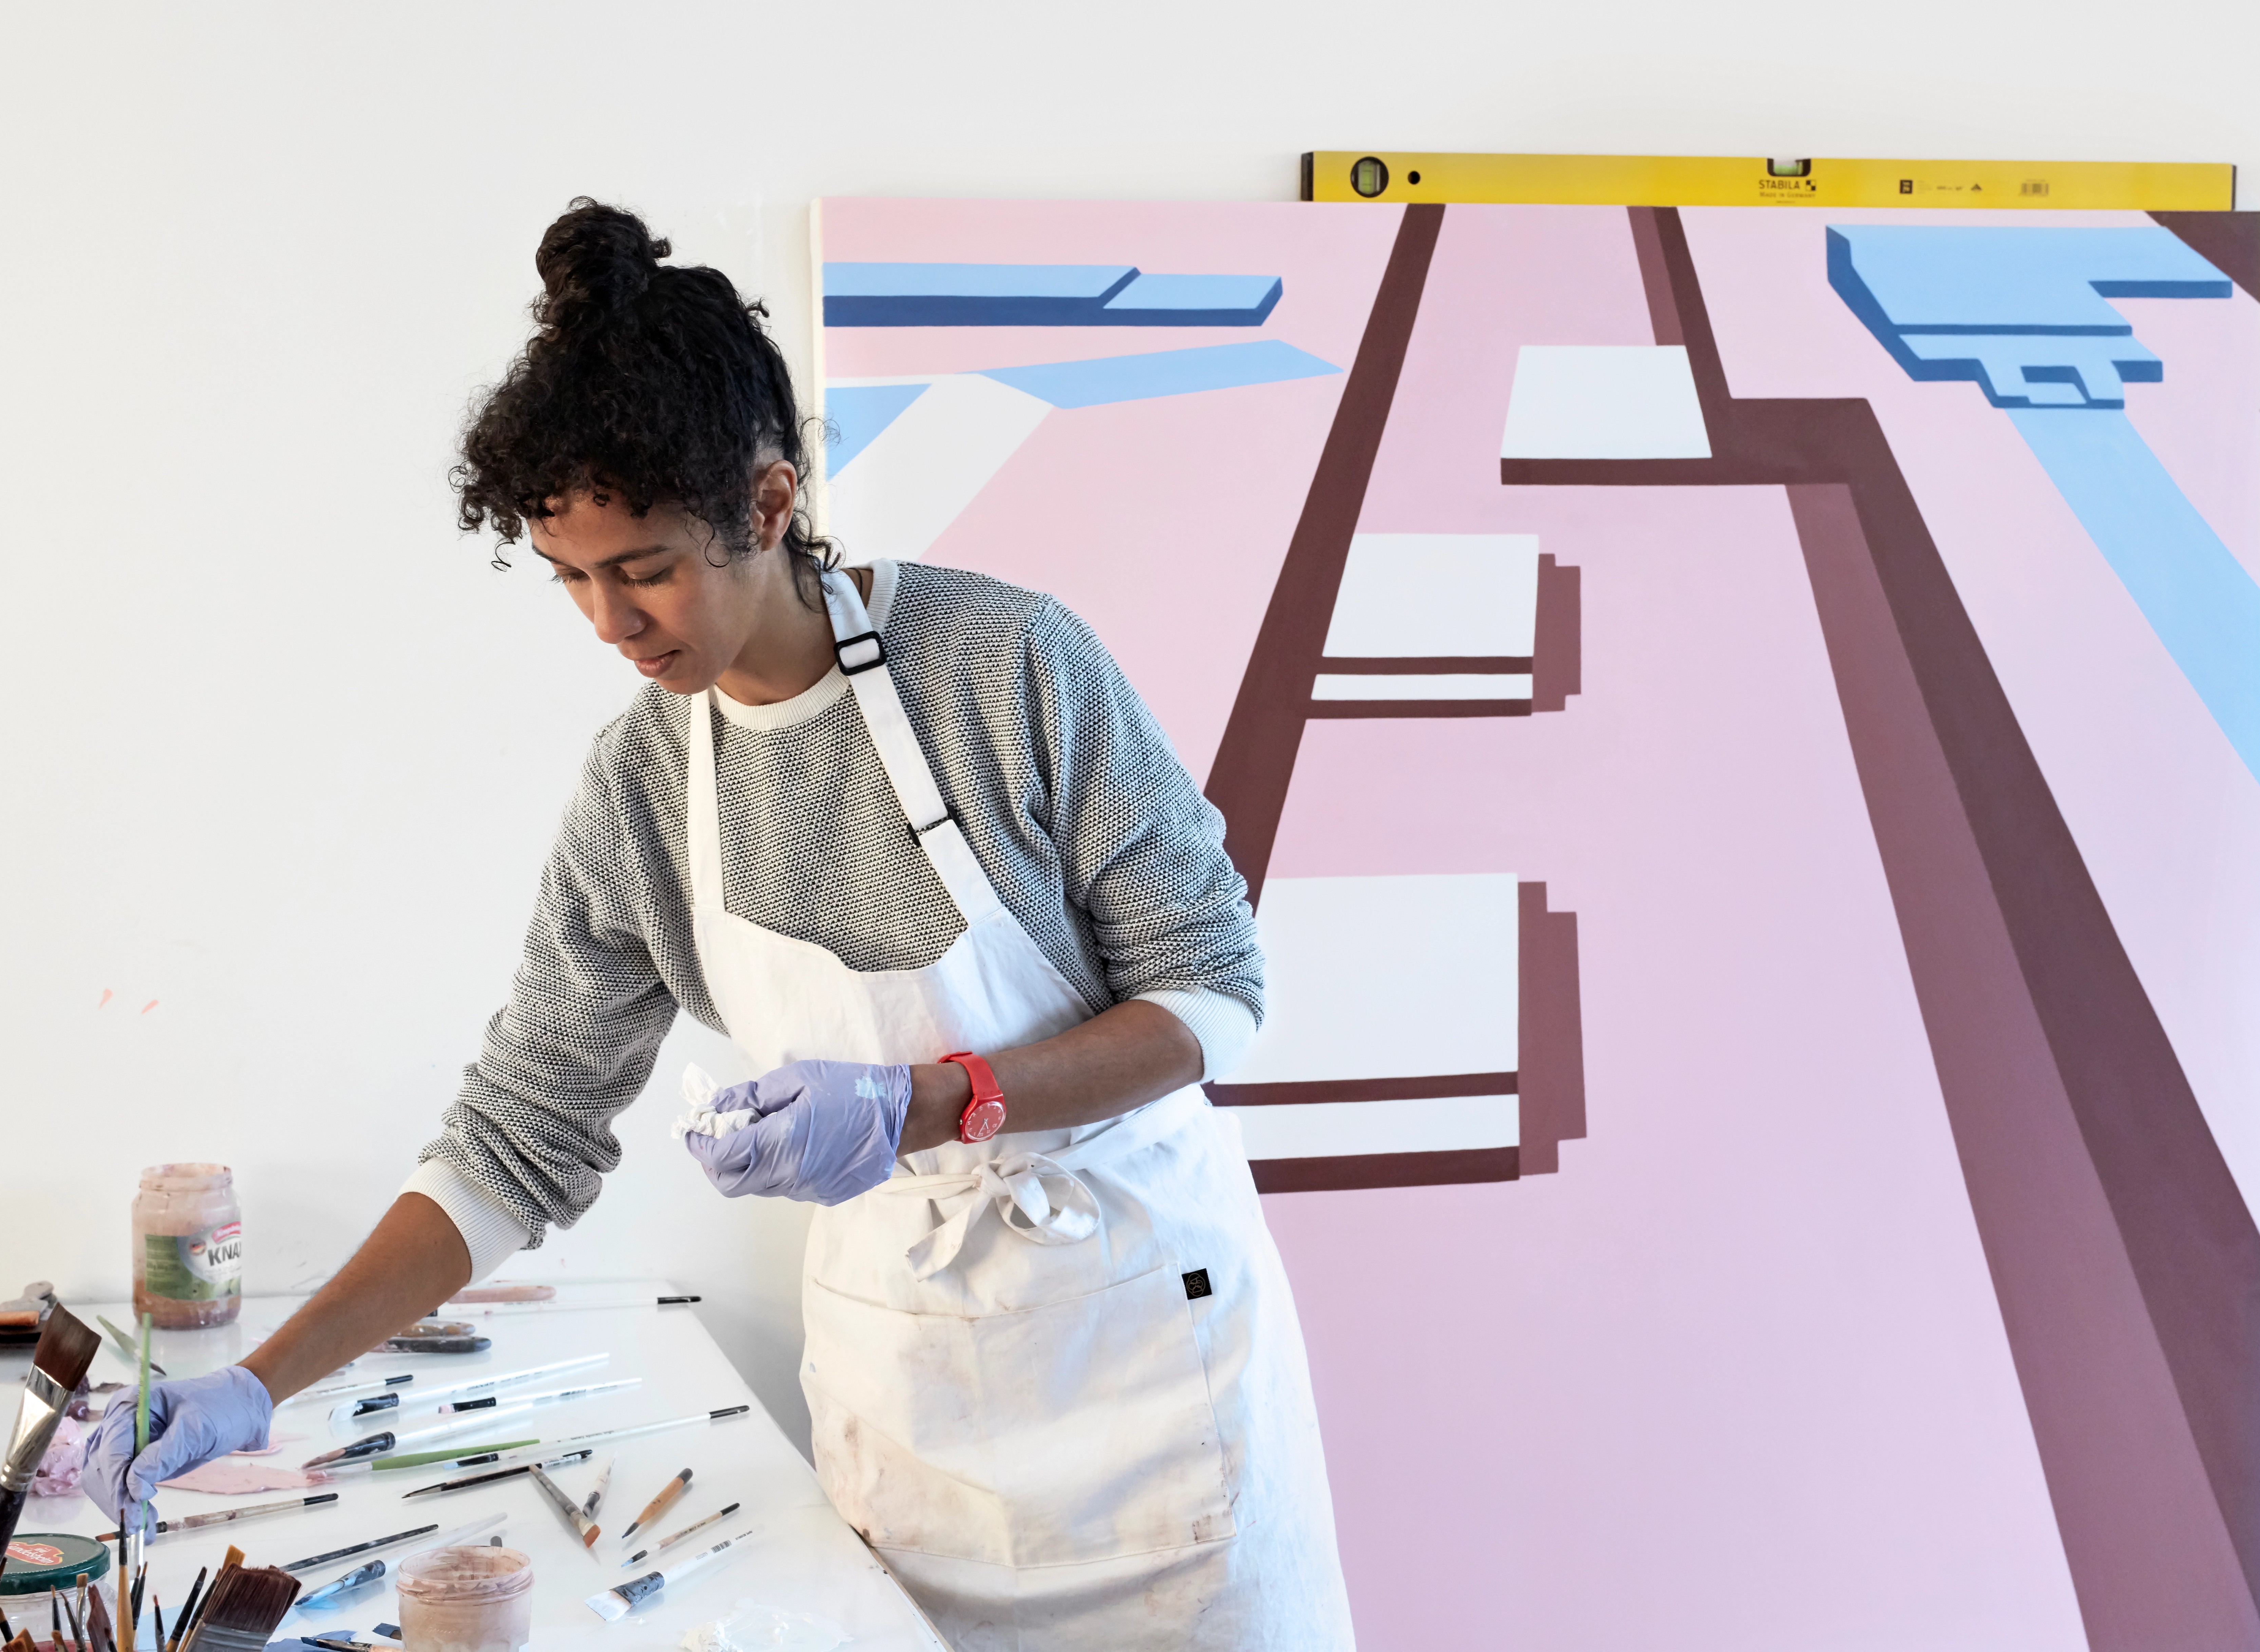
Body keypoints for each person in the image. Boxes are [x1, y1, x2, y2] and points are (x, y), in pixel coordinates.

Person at [78, 198, 1353, 1649]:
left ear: (766, 503)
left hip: (1148, 1385)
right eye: (571, 577)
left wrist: (936, 1100)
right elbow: (517, 1136)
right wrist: (262, 1378)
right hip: (914, 1407)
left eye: (645, 567)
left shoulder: (1006, 665)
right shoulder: (643, 793)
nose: (611, 624)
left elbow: (1217, 994)